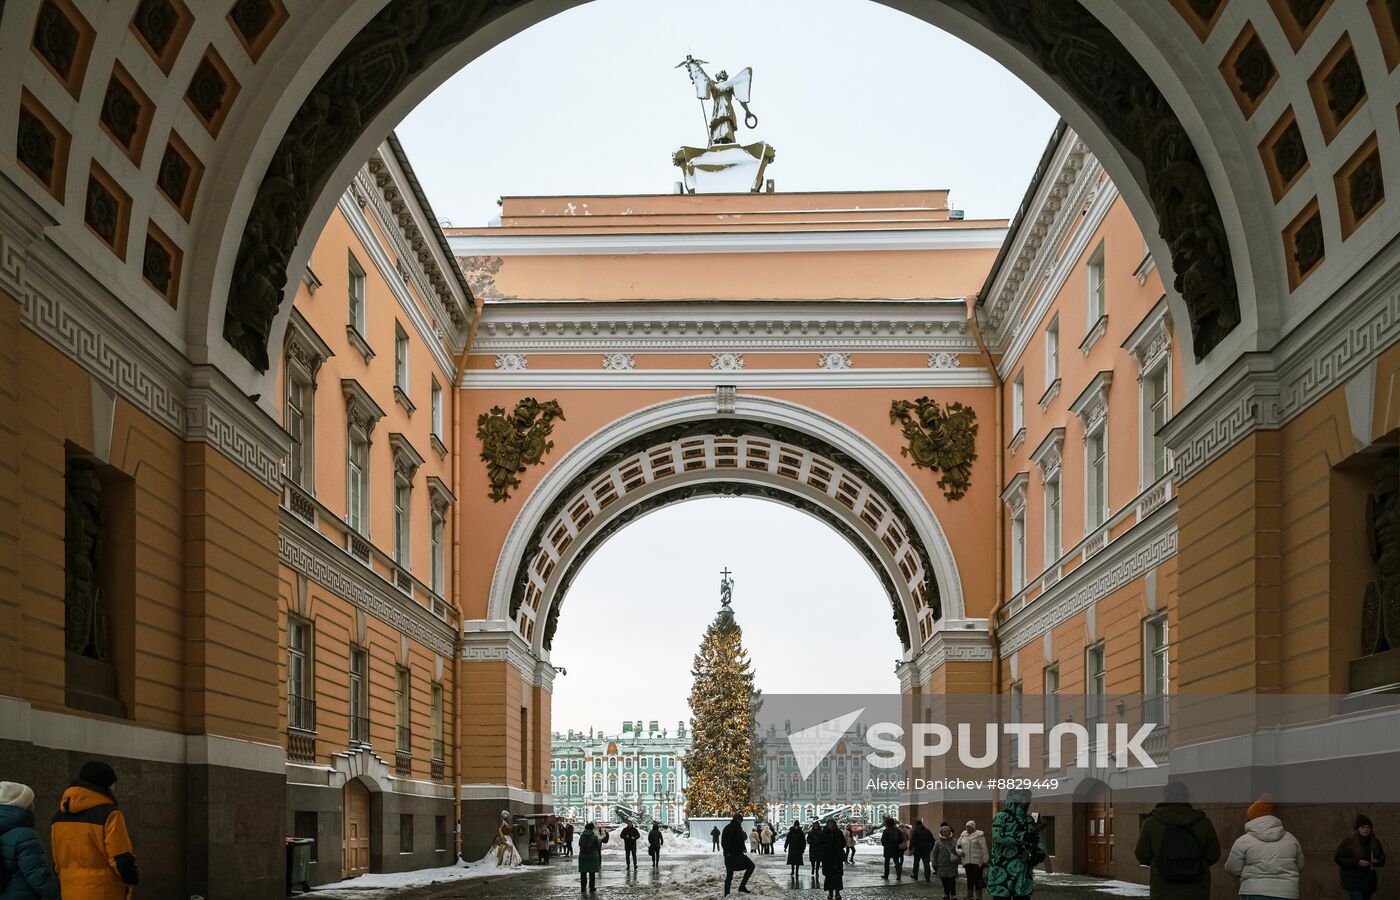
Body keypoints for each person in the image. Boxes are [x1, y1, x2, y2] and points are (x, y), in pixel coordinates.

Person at [51, 761, 139, 900]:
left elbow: (56, 861)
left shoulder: (58, 818)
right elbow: (121, 858)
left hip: (69, 891)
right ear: (106, 784)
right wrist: (132, 877)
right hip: (104, 892)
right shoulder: (110, 814)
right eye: (113, 783)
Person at [1135, 781, 1221, 900]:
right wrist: (1195, 864)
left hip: (1163, 888)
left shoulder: (1151, 822)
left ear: (1165, 797)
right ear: (1187, 797)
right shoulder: (1203, 822)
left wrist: (1162, 863)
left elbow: (1142, 854)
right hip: (1196, 888)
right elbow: (1213, 854)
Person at [1224, 795, 1303, 899]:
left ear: (1251, 819)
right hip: (1287, 893)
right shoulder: (1292, 839)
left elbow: (1232, 868)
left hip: (1254, 892)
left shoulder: (1243, 841)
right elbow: (1300, 865)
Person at [0, 782, 60, 900]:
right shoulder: (25, 835)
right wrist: (60, 895)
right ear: (22, 805)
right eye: (30, 801)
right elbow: (38, 876)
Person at [987, 789, 1045, 900]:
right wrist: (1021, 837)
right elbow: (997, 837)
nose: (1026, 801)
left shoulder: (1028, 820)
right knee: (1002, 897)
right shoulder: (1002, 817)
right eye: (1023, 797)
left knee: (1022, 897)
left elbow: (1035, 838)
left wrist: (1040, 853)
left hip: (1023, 871)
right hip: (1002, 868)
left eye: (1027, 798)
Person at [1335, 814, 1386, 900]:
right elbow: (1338, 858)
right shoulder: (1349, 841)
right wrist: (1357, 862)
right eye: (1363, 827)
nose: (1366, 829)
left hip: (1368, 881)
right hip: (1352, 880)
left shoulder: (1374, 842)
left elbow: (1382, 859)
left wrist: (1375, 861)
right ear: (1358, 828)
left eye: (1368, 827)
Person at [722, 813, 755, 895]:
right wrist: (743, 848)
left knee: (729, 875)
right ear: (739, 820)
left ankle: (726, 893)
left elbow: (722, 842)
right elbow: (741, 839)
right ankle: (742, 886)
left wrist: (726, 852)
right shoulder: (737, 828)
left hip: (728, 856)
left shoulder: (726, 828)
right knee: (751, 866)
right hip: (737, 855)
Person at [958, 819, 990, 900]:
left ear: (973, 827)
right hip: (966, 861)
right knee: (969, 879)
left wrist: (985, 860)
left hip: (977, 862)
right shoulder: (963, 835)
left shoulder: (979, 835)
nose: (968, 828)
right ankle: (969, 895)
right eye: (967, 826)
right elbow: (958, 845)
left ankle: (979, 897)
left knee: (977, 879)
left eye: (970, 827)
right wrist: (960, 851)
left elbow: (984, 848)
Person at [934, 823, 963, 900]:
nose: (946, 833)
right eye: (944, 831)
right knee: (944, 880)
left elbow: (958, 850)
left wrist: (960, 854)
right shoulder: (938, 842)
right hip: (942, 865)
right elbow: (934, 854)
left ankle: (953, 894)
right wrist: (934, 864)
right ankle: (946, 893)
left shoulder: (955, 841)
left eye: (948, 831)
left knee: (952, 880)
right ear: (941, 832)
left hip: (952, 864)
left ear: (950, 832)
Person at [577, 821, 608, 893]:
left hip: (583, 856)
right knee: (592, 873)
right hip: (592, 856)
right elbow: (597, 846)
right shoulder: (594, 836)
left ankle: (583, 888)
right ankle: (592, 888)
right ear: (592, 828)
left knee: (583, 873)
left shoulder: (582, 836)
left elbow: (579, 844)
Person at [821, 818, 846, 900]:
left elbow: (843, 842)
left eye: (832, 824)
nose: (831, 826)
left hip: (837, 858)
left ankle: (837, 893)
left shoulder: (838, 832)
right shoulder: (824, 833)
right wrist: (826, 848)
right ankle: (830, 893)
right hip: (827, 859)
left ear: (834, 824)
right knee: (829, 877)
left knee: (837, 877)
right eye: (829, 824)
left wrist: (838, 847)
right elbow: (819, 844)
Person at [881, 815, 904, 879]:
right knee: (897, 862)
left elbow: (883, 840)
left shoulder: (886, 831)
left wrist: (885, 845)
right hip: (895, 848)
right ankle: (898, 875)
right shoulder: (897, 830)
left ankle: (886, 875)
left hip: (887, 849)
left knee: (887, 863)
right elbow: (901, 839)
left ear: (887, 824)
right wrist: (897, 844)